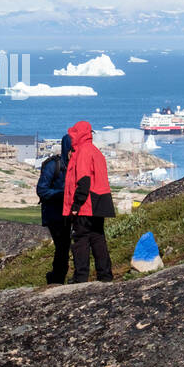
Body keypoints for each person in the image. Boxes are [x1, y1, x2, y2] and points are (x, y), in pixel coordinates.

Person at [62, 120, 115, 282]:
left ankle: (81, 276)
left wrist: (76, 206)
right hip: (100, 203)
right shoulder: (95, 151)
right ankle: (105, 275)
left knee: (80, 240)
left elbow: (84, 181)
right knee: (98, 238)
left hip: (87, 205)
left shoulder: (83, 152)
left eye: (73, 134)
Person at [35, 132, 73, 284]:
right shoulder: (53, 165)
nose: (73, 154)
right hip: (54, 213)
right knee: (62, 246)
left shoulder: (74, 165)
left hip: (68, 212)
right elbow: (41, 190)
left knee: (65, 246)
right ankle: (57, 277)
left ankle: (57, 277)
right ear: (66, 149)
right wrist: (63, 194)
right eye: (71, 150)